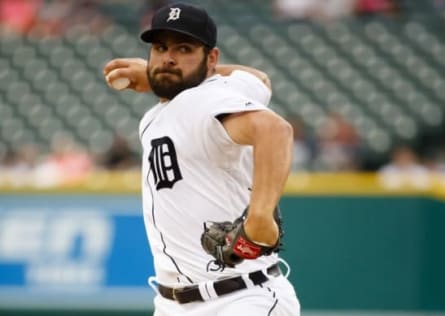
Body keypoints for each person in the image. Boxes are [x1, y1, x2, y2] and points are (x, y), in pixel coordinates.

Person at [103, 3, 300, 316]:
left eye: (184, 49)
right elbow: (260, 79)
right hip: (173, 304)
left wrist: (260, 215)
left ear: (211, 58)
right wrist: (156, 77)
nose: (168, 58)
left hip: (240, 300)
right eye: (160, 47)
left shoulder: (205, 99)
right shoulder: (224, 88)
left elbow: (274, 129)